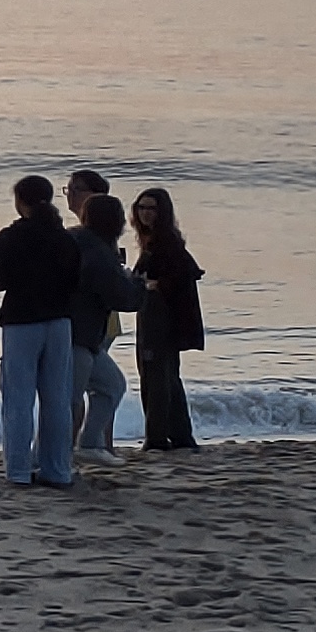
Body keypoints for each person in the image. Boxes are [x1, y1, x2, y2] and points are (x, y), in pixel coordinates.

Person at [0, 175, 84, 491]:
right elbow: (75, 281)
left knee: (18, 398)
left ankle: (17, 469)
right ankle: (57, 469)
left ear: (20, 201)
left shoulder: (10, 238)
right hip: (59, 321)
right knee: (57, 398)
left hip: (21, 321)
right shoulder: (65, 239)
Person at [131, 189, 206, 450]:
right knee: (166, 375)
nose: (145, 213)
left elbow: (180, 276)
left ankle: (157, 437)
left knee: (156, 376)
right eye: (141, 208)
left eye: (151, 208)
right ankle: (179, 435)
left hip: (160, 316)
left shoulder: (165, 243)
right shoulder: (156, 241)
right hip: (159, 315)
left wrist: (152, 285)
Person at [69, 193, 136, 463]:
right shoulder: (98, 252)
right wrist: (138, 284)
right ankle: (46, 458)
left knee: (111, 385)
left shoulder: (74, 239)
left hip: (80, 333)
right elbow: (121, 296)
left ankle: (88, 442)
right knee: (69, 400)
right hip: (79, 333)